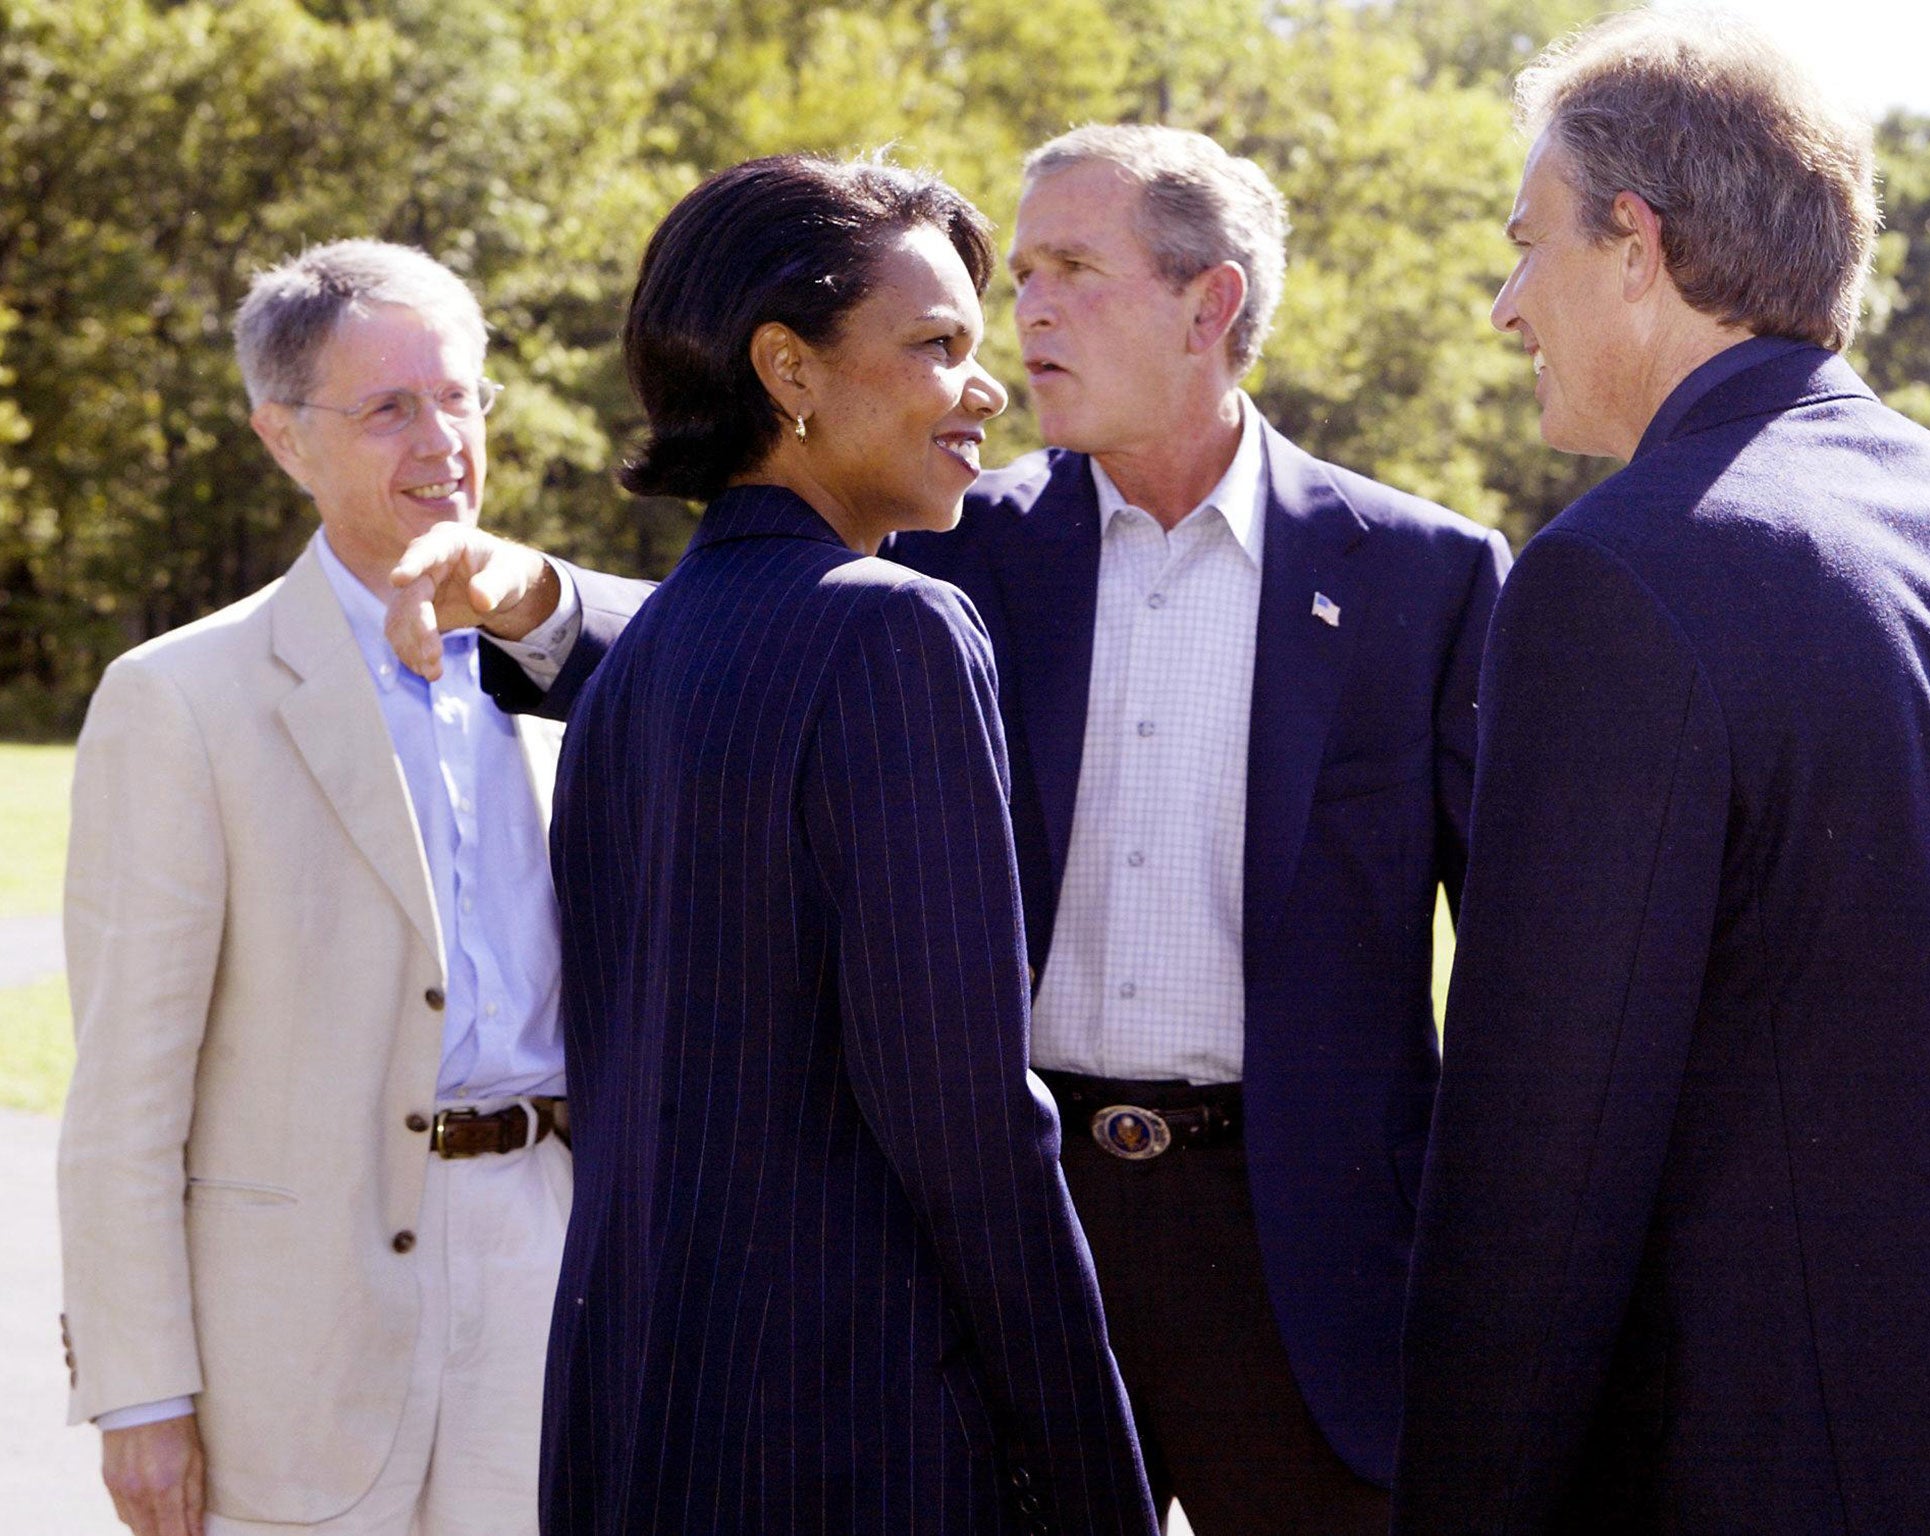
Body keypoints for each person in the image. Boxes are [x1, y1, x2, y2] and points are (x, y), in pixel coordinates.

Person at [392, 125, 1508, 1533]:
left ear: (1209, 304)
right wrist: (546, 604)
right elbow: (775, 640)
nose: (1026, 314)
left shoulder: (1431, 573)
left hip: (1294, 1260)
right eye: (1010, 279)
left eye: (1069, 270)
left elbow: (1519, 968)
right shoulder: (944, 541)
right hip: (985, 1243)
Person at [1393, 12, 1930, 1532]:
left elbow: (1536, 1164)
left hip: (1749, 1468)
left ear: (1636, 240)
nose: (1505, 306)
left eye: (1524, 244)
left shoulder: (1620, 575)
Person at [527, 155, 1153, 1535]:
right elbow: (971, 1127)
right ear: (788, 370)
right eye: (936, 345)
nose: (985, 390)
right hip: (858, 1442)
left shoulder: (644, 663)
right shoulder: (890, 628)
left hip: (644, 1424)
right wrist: (1103, 1484)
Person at [58, 241, 576, 1536]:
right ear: (284, 439)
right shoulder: (181, 699)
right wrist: (140, 1396)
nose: (444, 438)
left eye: (460, 398)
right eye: (391, 406)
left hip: (549, 1285)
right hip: (297, 1346)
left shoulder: (572, 679)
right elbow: (127, 1088)